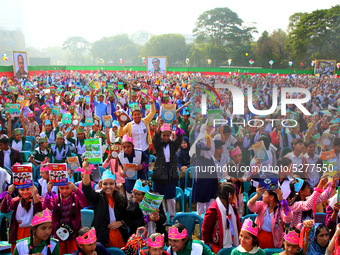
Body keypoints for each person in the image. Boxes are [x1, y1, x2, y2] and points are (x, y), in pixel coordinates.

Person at [82, 161, 128, 248]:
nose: (108, 186)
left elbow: (128, 216)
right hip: (103, 235)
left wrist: (121, 223)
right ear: (100, 185)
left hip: (119, 235)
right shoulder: (98, 197)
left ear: (115, 184)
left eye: (111, 184)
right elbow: (87, 190)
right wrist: (87, 171)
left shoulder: (121, 198)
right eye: (105, 184)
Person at [43, 180, 90, 254]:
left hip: (74, 234)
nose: (64, 191)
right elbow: (46, 208)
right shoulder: (55, 197)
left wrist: (76, 190)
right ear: (58, 188)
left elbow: (86, 204)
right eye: (61, 188)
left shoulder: (76, 197)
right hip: (59, 234)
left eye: (67, 188)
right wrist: (48, 192)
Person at [152, 120, 183, 221]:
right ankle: (162, 216)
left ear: (170, 135)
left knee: (171, 197)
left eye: (167, 135)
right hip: (160, 172)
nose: (165, 137)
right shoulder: (158, 145)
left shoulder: (173, 145)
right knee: (160, 197)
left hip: (170, 172)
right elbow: (155, 139)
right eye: (163, 135)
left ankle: (172, 216)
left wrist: (176, 126)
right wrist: (158, 127)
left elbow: (179, 139)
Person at [1, 183, 42, 254]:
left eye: (28, 189)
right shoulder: (16, 201)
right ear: (18, 190)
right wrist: (9, 193)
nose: (25, 192)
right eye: (22, 189)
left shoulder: (38, 198)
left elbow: (41, 210)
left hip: (33, 232)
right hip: (18, 233)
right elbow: (4, 210)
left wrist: (34, 194)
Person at [202, 182, 241, 253]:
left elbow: (237, 224)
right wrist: (206, 245)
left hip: (233, 240)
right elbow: (206, 229)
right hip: (219, 245)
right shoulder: (213, 210)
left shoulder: (232, 206)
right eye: (234, 194)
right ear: (230, 196)